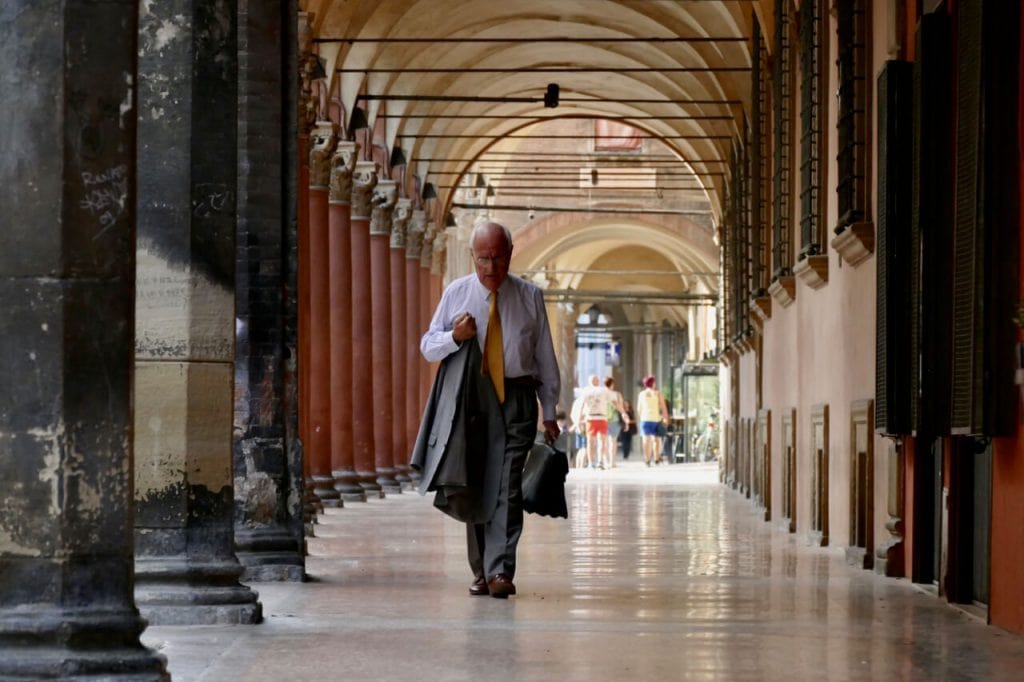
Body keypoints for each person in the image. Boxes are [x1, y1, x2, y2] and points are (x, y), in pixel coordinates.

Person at [420, 221, 560, 599]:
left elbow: (545, 358)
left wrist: (549, 411)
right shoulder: (456, 293)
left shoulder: (530, 296)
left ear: (510, 256)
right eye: (484, 259)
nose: (491, 268)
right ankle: (481, 570)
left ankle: (501, 570)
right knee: (477, 483)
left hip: (516, 399)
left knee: (507, 487)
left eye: (499, 258)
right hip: (473, 402)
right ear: (473, 257)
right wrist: (454, 336)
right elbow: (428, 346)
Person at [578, 374, 611, 469]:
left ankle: (596, 462)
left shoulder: (589, 391)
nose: (596, 381)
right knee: (597, 441)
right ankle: (595, 462)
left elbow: (581, 406)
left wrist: (579, 420)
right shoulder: (603, 390)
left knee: (594, 441)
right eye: (595, 379)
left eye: (596, 379)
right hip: (595, 418)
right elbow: (581, 405)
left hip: (596, 418)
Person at [637, 375, 669, 466]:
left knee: (646, 440)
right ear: (653, 383)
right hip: (656, 419)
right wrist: (665, 418)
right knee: (656, 439)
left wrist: (642, 416)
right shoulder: (658, 393)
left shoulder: (641, 394)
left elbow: (639, 408)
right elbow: (663, 407)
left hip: (645, 419)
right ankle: (656, 458)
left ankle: (647, 460)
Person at [602, 377, 629, 468]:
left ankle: (605, 460)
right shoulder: (617, 394)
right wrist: (625, 416)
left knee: (603, 441)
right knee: (613, 441)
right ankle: (612, 462)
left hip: (602, 419)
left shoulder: (601, 394)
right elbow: (620, 407)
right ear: (612, 384)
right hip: (614, 420)